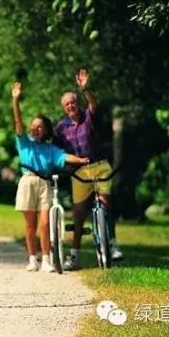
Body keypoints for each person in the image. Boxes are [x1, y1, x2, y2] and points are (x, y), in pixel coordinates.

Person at [11, 81, 89, 272]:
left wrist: (80, 160)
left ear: (45, 130)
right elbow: (18, 122)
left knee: (45, 223)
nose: (35, 129)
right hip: (28, 181)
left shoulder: (50, 149)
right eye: (33, 126)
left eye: (39, 127)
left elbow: (64, 157)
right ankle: (32, 259)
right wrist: (15, 100)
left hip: (45, 183)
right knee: (30, 225)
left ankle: (46, 259)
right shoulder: (24, 143)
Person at [53, 67, 124, 271]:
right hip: (79, 172)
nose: (70, 106)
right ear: (64, 108)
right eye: (67, 104)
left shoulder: (88, 117)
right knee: (78, 214)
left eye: (73, 102)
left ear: (78, 103)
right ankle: (74, 256)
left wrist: (85, 89)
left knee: (105, 205)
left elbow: (93, 104)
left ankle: (112, 244)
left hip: (100, 167)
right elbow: (55, 151)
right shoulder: (61, 128)